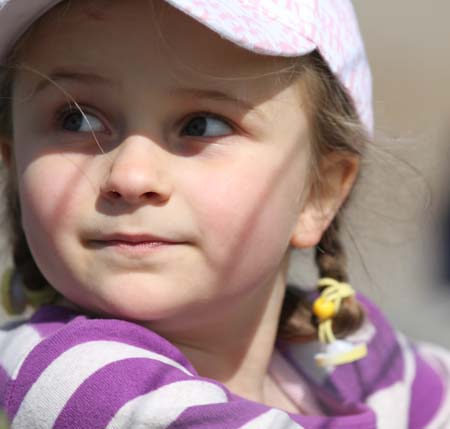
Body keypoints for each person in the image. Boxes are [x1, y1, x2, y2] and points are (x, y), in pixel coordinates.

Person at [0, 0, 448, 428]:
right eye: (76, 120)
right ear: (14, 163)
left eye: (202, 124)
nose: (131, 176)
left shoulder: (345, 357)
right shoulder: (68, 377)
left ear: (318, 192)